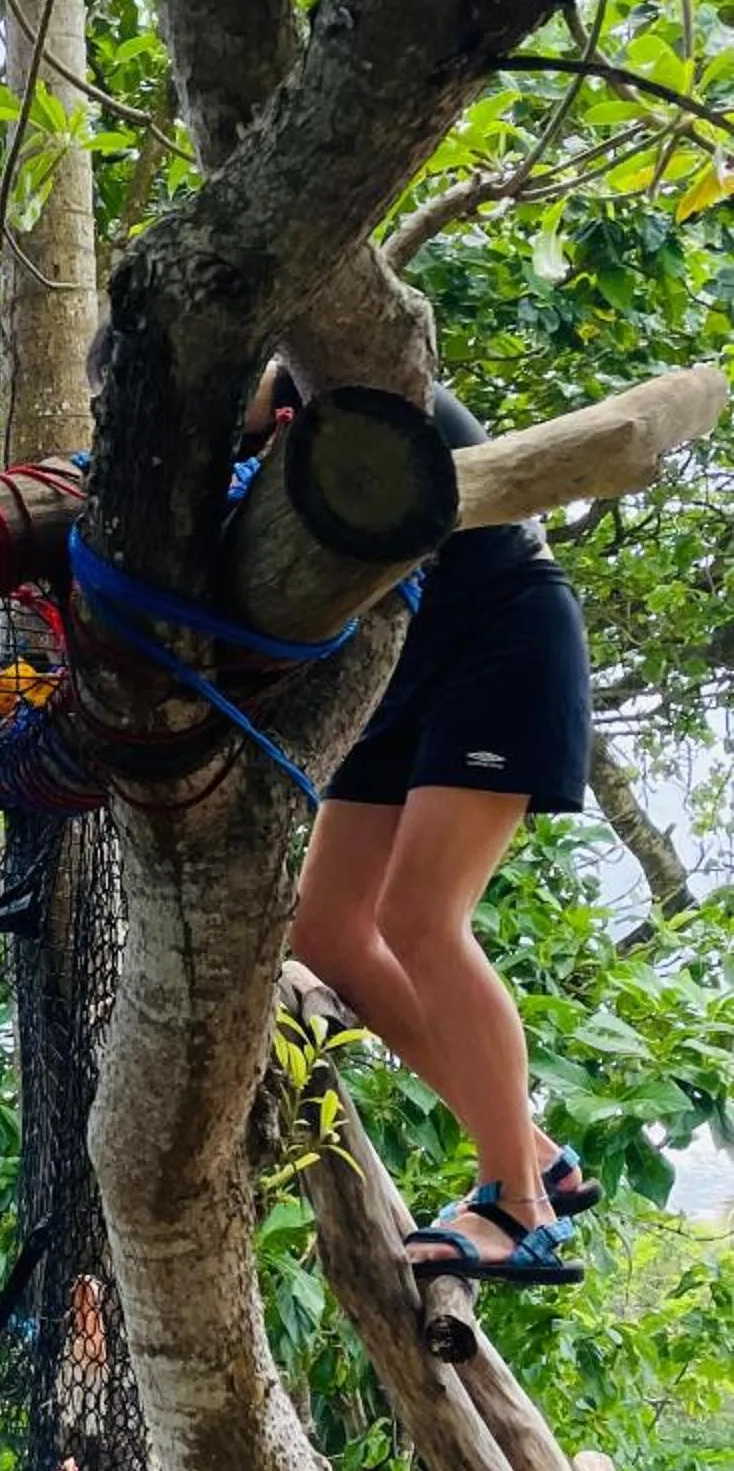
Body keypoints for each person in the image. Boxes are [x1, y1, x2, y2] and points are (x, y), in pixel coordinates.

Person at [275, 369, 597, 1288]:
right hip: (395, 666)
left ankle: (519, 1210)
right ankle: (531, 1152)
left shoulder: (335, 370)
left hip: (501, 635)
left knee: (421, 916)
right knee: (329, 930)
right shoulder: (222, 456)